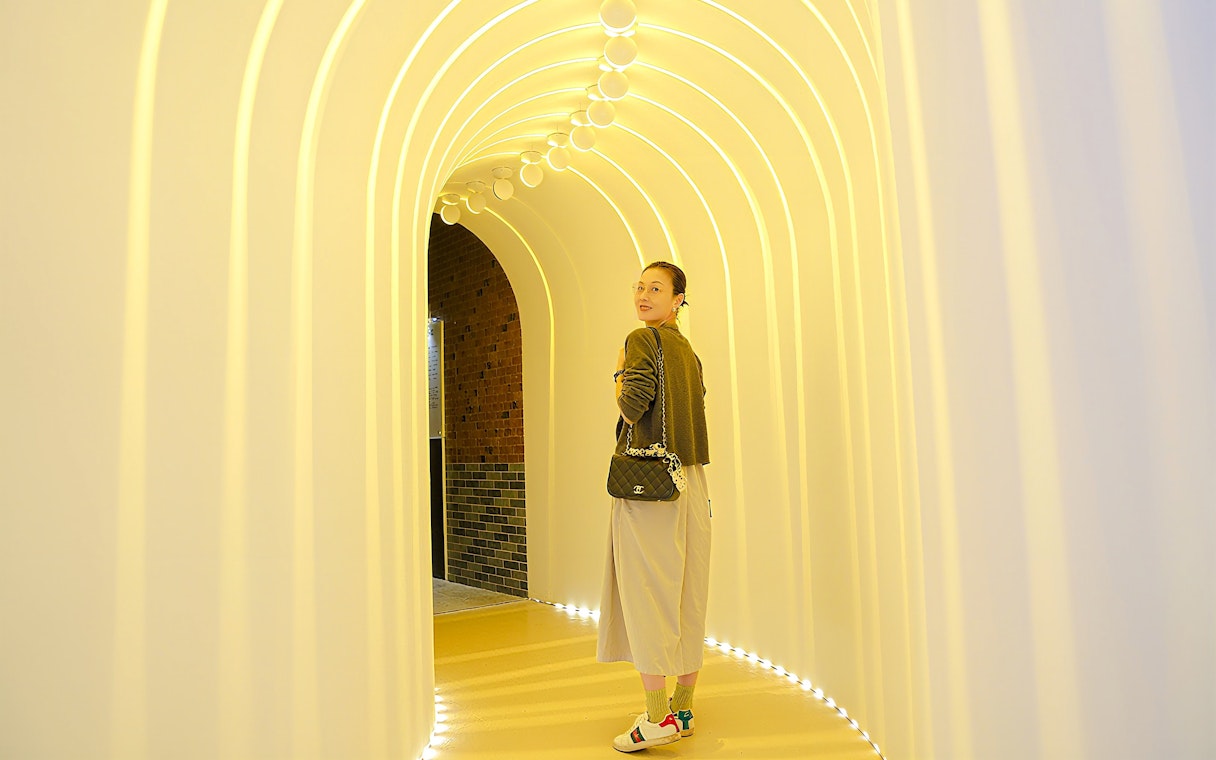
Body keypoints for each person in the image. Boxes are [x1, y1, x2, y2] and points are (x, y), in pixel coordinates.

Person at [597, 261, 712, 752]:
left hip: (650, 486)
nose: (643, 295)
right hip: (691, 481)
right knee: (687, 593)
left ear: (678, 298)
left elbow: (632, 405)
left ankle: (656, 718)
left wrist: (622, 369)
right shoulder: (688, 351)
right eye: (639, 286)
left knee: (646, 594)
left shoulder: (642, 340)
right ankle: (683, 709)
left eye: (656, 288)